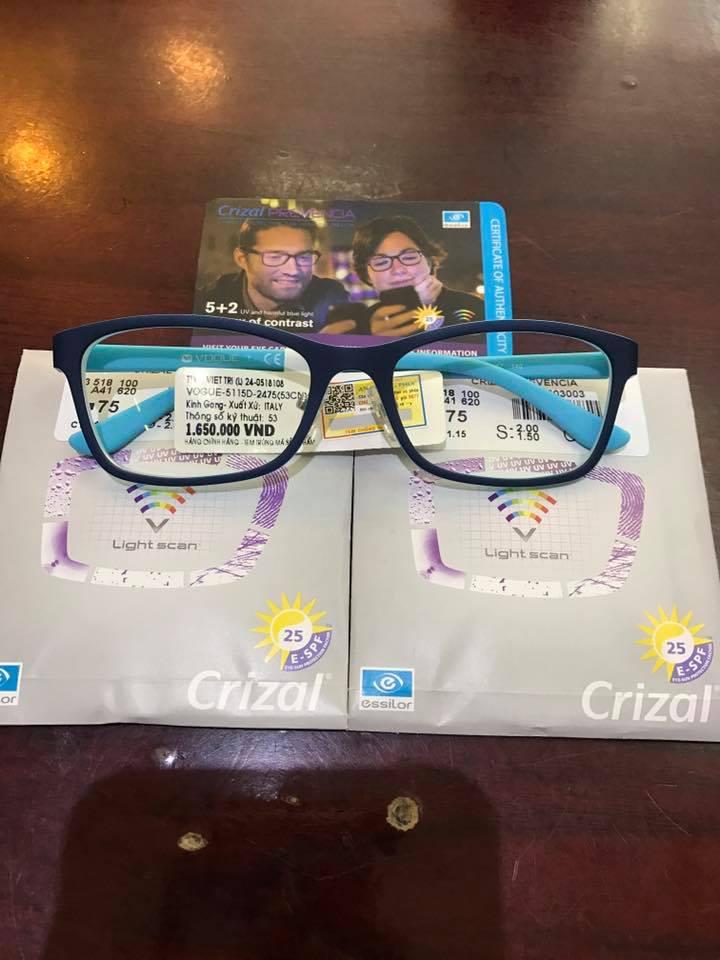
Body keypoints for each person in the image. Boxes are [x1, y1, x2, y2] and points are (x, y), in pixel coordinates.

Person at [199, 218, 348, 331]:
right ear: (242, 259)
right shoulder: (205, 304)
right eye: (275, 257)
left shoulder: (331, 297)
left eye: (303, 257)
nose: (293, 270)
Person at [351, 215, 485, 336]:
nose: (398, 269)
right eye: (381, 263)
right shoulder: (358, 326)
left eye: (409, 257)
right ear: (367, 275)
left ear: (429, 261)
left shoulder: (476, 308)